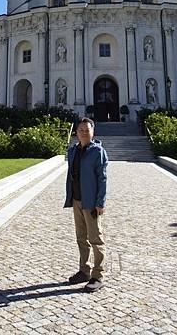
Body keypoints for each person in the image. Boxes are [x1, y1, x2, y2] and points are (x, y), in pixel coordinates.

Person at [64, 117, 108, 292]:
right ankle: (84, 270)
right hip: (76, 199)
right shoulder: (73, 150)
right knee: (81, 237)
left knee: (95, 239)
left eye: (86, 130)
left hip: (91, 203)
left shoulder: (98, 151)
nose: (83, 132)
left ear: (92, 132)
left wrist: (100, 202)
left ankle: (98, 275)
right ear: (76, 132)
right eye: (80, 130)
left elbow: (102, 179)